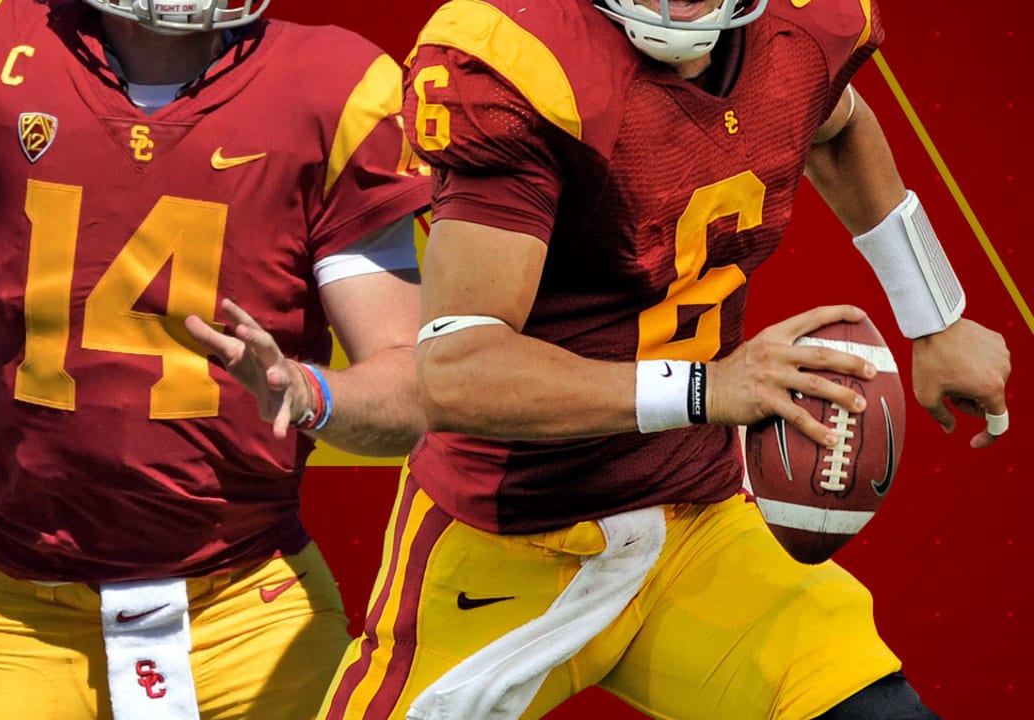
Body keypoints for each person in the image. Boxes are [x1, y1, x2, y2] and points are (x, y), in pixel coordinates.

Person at [320, 1, 1011, 719]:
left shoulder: (799, 32)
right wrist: (707, 389)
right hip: (513, 541)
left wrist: (936, 315)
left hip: (698, 520)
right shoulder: (521, 62)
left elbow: (834, 128)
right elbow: (458, 372)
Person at [0, 0, 430, 718]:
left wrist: (310, 394)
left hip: (246, 607)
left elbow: (408, 396)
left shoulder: (332, 89)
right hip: (23, 614)